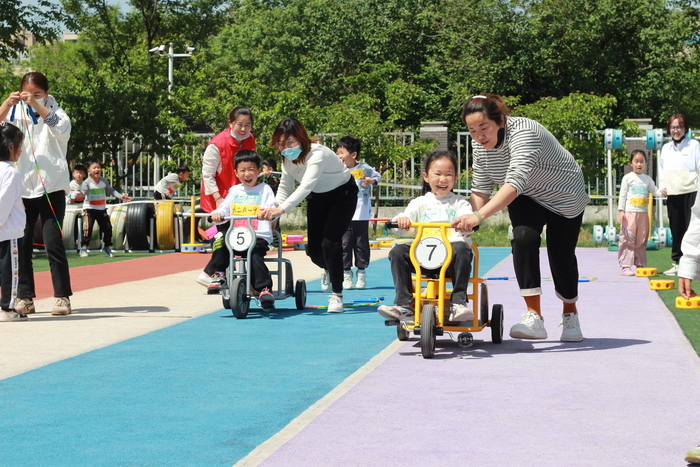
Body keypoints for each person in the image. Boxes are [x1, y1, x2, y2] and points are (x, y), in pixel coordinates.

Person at [452, 94, 588, 342]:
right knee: (523, 237)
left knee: (561, 256)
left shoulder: (525, 132)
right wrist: (468, 220)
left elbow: (514, 182)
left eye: (484, 128)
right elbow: (481, 188)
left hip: (564, 194)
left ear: (501, 120)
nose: (479, 136)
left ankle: (570, 315)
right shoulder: (479, 146)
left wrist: (479, 215)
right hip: (527, 195)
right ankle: (534, 316)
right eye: (472, 130)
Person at [258, 118, 358, 313]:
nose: (285, 147)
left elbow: (306, 186)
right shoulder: (286, 158)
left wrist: (281, 210)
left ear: (302, 139)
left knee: (331, 241)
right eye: (280, 143)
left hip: (342, 195)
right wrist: (274, 212)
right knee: (313, 250)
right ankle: (330, 268)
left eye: (290, 142)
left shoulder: (317, 153)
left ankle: (337, 294)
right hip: (318, 198)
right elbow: (285, 189)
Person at [0, 71, 72, 316]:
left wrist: (36, 104)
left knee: (53, 243)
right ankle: (25, 296)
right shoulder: (14, 111)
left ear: (46, 93)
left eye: (37, 94)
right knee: (22, 243)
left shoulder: (57, 112)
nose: (30, 98)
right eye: (27, 94)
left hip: (52, 186)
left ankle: (62, 297)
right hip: (23, 187)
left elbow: (60, 129)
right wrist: (6, 104)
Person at [377, 151, 475, 323]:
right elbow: (406, 221)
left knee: (461, 247)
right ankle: (404, 305)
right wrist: (401, 221)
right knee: (398, 251)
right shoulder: (419, 203)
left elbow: (468, 219)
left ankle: (458, 302)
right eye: (437, 174)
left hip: (450, 259)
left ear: (456, 178)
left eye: (448, 174)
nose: (443, 179)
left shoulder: (460, 203)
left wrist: (467, 224)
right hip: (422, 258)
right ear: (426, 177)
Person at [196, 106, 255, 291]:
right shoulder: (216, 144)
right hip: (220, 198)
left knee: (243, 238)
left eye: (248, 125)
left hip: (240, 198)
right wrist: (218, 199)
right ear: (230, 123)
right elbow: (208, 175)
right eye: (240, 124)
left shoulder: (250, 139)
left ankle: (210, 275)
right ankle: (216, 275)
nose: (244, 129)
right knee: (227, 237)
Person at [210, 150, 278, 307]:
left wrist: (267, 212)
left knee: (255, 256)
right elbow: (224, 208)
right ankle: (219, 274)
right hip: (236, 236)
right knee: (219, 237)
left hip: (257, 236)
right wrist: (217, 213)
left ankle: (264, 289)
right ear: (236, 173)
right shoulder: (234, 191)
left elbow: (272, 206)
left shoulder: (264, 189)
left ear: (259, 171)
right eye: (243, 170)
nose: (247, 173)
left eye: (251, 169)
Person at [658, 114, 700, 276]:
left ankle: (694, 265)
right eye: (673, 127)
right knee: (676, 229)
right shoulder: (666, 148)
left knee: (693, 229)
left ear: (685, 128)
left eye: (679, 127)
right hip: (673, 194)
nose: (676, 130)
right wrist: (663, 186)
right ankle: (677, 262)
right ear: (669, 129)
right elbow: (662, 170)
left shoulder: (694, 145)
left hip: (691, 192)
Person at [336, 136, 380, 290]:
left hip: (360, 213)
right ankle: (346, 274)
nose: (340, 156)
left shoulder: (363, 168)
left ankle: (361, 273)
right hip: (342, 214)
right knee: (344, 244)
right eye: (338, 153)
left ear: (353, 155)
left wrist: (371, 181)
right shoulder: (337, 169)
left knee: (360, 244)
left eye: (342, 152)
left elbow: (377, 176)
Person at [617, 150, 662, 276]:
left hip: (643, 214)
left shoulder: (647, 179)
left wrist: (664, 192)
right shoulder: (628, 178)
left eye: (641, 162)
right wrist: (621, 211)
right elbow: (622, 195)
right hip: (629, 213)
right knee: (627, 239)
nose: (639, 164)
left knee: (641, 239)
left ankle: (640, 264)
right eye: (636, 161)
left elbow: (656, 192)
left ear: (645, 164)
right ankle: (625, 266)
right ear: (631, 163)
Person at [0, 123, 28, 322]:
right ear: (11, 147)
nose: (21, 149)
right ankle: (8, 309)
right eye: (20, 144)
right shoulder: (11, 173)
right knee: (10, 271)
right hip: (8, 231)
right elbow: (4, 203)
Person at [79, 160, 131, 258]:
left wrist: (121, 196)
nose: (97, 169)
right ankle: (84, 248)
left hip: (101, 209)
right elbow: (83, 193)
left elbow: (110, 190)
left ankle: (106, 248)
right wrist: (78, 195)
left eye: (98, 167)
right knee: (88, 228)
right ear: (89, 171)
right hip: (89, 209)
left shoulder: (104, 181)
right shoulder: (86, 183)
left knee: (108, 228)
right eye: (94, 168)